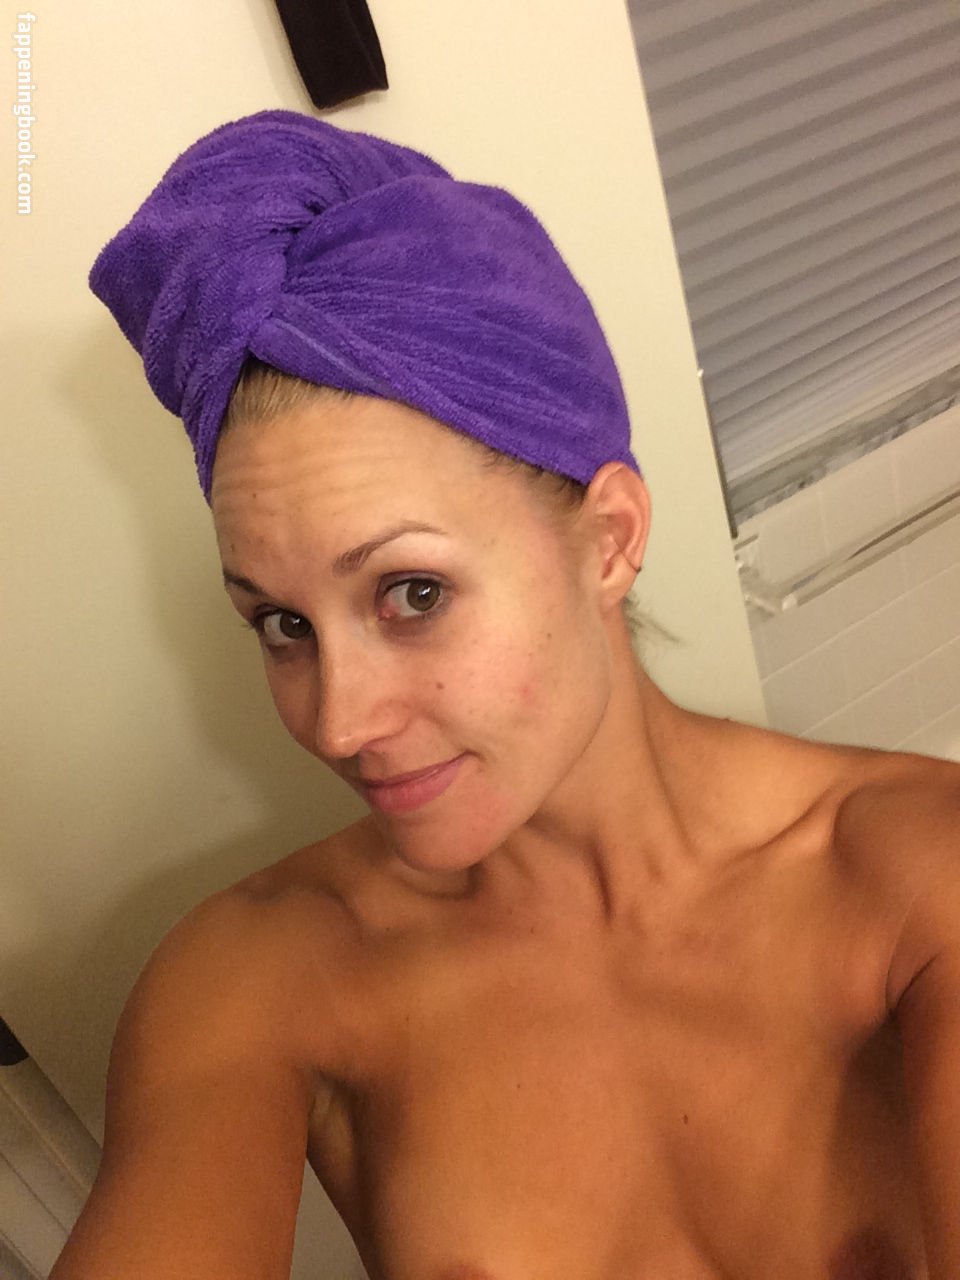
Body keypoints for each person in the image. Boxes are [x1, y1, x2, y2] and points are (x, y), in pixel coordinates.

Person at [52, 110, 959, 1280]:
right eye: (282, 624)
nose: (338, 721)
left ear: (610, 538)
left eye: (412, 591)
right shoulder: (262, 977)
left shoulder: (914, 874)